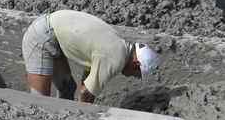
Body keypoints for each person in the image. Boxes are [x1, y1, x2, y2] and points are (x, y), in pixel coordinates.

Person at [22, 10, 160, 103]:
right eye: (137, 74)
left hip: (52, 32)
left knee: (68, 88)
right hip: (42, 38)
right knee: (40, 103)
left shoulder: (119, 44)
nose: (133, 77)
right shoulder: (116, 57)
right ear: (136, 64)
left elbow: (87, 81)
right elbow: (86, 94)